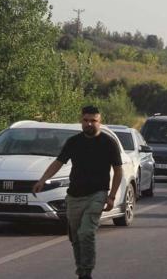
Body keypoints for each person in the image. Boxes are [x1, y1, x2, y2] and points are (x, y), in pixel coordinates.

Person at [32, 106, 123, 279]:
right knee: (75, 237)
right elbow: (58, 162)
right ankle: (81, 269)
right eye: (86, 120)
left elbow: (118, 171)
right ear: (81, 121)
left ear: (100, 122)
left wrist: (111, 196)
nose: (89, 124)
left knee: (86, 232)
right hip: (74, 196)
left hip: (98, 194)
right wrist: (42, 180)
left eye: (93, 121)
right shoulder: (74, 142)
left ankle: (86, 272)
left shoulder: (108, 143)